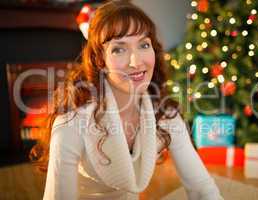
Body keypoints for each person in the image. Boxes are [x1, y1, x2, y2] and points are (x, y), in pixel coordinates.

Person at [31, 1, 223, 199]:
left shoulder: (165, 114)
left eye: (143, 45)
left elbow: (201, 187)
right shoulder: (72, 123)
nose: (136, 62)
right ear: (100, 60)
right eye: (118, 49)